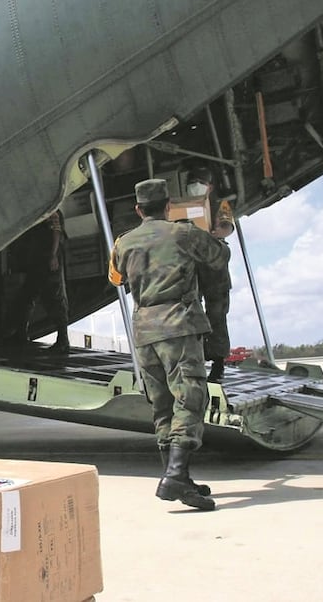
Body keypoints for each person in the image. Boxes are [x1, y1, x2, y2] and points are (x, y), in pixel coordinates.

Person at [108, 179, 230, 511]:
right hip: (178, 325)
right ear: (167, 206)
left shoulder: (124, 243)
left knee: (161, 404)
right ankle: (176, 474)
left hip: (144, 332)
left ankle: (177, 475)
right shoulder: (182, 234)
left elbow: (115, 277)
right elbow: (220, 255)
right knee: (189, 397)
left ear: (137, 209)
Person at [184, 164, 235, 382]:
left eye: (200, 184)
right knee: (190, 313)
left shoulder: (219, 205)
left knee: (217, 314)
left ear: (210, 186)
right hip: (192, 264)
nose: (195, 188)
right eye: (192, 184)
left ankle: (218, 363)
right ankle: (195, 359)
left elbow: (227, 226)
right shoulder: (184, 206)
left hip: (214, 266)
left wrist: (215, 233)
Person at [6, 210, 71, 353]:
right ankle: (21, 333)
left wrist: (53, 255)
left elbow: (56, 232)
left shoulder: (52, 210)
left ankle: (63, 340)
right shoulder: (43, 209)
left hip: (48, 259)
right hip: (38, 259)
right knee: (27, 296)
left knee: (54, 298)